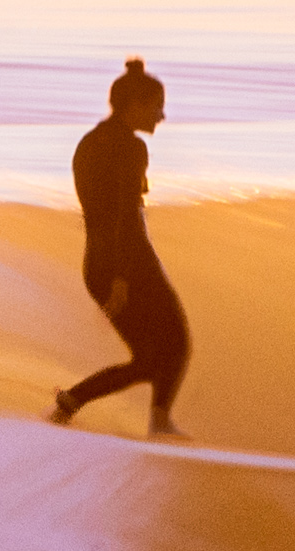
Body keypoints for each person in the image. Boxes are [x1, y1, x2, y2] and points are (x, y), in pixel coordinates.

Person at [49, 57, 191, 438]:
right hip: (127, 264)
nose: (162, 115)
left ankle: (72, 402)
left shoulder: (89, 143)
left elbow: (98, 214)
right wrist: (122, 277)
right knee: (175, 343)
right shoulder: (130, 149)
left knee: (149, 359)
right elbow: (124, 216)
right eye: (157, 106)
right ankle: (160, 423)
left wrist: (109, 272)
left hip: (96, 264)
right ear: (136, 106)